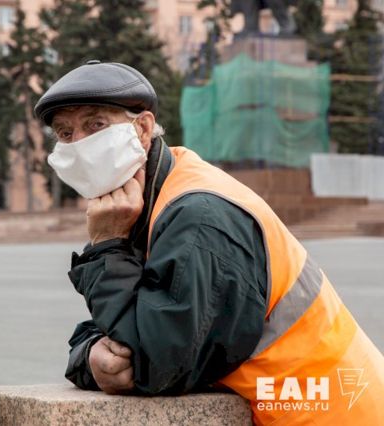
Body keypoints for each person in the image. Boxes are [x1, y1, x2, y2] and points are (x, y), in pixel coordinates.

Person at [34, 60, 384, 424]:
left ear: (143, 129)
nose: (80, 143)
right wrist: (90, 352)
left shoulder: (198, 216)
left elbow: (157, 362)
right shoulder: (152, 198)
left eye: (96, 125)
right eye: (65, 133)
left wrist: (107, 245)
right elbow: (127, 328)